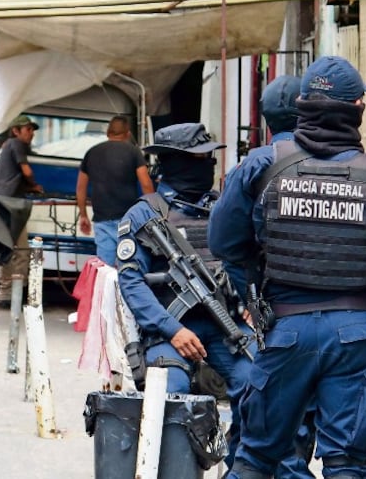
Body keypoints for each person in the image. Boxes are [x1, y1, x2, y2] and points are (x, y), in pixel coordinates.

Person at [209, 55, 366, 479]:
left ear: (302, 105)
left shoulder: (261, 166)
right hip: (355, 339)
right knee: (348, 464)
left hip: (283, 333)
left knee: (256, 457)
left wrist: (261, 269)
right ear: (358, 110)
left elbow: (222, 241)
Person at [115, 122, 254, 471]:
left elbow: (248, 261)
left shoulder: (223, 209)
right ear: (175, 163)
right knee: (172, 399)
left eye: (209, 158)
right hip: (169, 332)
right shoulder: (145, 214)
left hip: (225, 327)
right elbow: (131, 283)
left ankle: (241, 471)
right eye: (200, 159)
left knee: (260, 385)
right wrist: (171, 328)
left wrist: (251, 304)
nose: (209, 166)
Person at [76, 116, 154, 265]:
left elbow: (81, 188)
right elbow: (146, 184)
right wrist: (151, 211)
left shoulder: (92, 152)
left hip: (101, 219)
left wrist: (83, 215)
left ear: (108, 133)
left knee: (106, 269)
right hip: (128, 220)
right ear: (127, 133)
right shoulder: (134, 152)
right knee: (130, 266)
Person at [0, 114, 45, 307]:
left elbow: (9, 178)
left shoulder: (5, 147)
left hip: (0, 202)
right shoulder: (16, 144)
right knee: (21, 250)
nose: (31, 134)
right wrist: (35, 184)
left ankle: (6, 294)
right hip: (11, 205)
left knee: (8, 249)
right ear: (16, 130)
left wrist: (28, 188)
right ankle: (15, 294)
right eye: (28, 129)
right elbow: (26, 172)